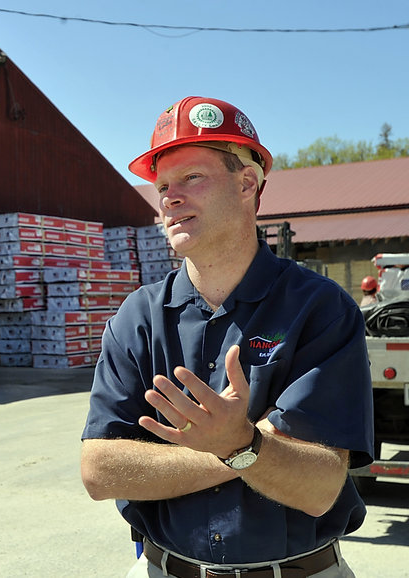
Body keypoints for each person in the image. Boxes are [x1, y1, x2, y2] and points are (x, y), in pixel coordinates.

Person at [81, 97, 374, 578]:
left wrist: (235, 444)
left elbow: (319, 487)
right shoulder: (137, 317)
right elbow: (100, 470)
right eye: (163, 186)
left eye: (192, 178)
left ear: (246, 185)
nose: (170, 198)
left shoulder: (318, 309)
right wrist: (245, 448)